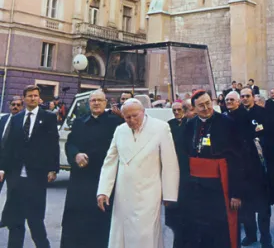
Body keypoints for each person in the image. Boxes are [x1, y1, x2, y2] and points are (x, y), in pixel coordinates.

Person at [97, 98, 179, 248]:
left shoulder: (161, 128)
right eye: (127, 117)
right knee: (121, 236)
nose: (132, 120)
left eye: (135, 116)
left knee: (145, 236)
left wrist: (169, 194)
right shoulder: (120, 130)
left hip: (148, 193)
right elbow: (110, 162)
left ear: (143, 112)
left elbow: (170, 163)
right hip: (124, 194)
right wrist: (103, 191)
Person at [60, 89, 123, 248]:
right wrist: (76, 155)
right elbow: (70, 143)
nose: (96, 103)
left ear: (105, 103)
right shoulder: (80, 121)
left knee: (100, 222)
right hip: (80, 179)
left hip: (102, 178)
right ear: (89, 103)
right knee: (76, 221)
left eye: (99, 100)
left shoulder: (115, 122)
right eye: (93, 100)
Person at [0, 85, 59, 248]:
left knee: (35, 221)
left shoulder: (48, 118)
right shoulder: (16, 119)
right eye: (30, 96)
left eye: (35, 96)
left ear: (39, 99)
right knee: (15, 221)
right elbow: (9, 146)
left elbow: (53, 144)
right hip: (16, 177)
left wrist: (53, 168)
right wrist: (2, 167)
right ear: (24, 98)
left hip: (36, 177)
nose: (33, 98)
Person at [184, 90, 243, 248]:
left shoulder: (227, 123)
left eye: (208, 103)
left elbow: (238, 159)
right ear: (194, 108)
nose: (206, 108)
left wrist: (236, 193)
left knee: (220, 231)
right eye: (201, 105)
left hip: (220, 186)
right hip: (196, 188)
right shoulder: (190, 125)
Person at [240, 87, 274, 247]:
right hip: (244, 168)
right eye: (242, 96)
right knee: (246, 207)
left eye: (247, 96)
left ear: (253, 97)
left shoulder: (263, 113)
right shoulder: (238, 115)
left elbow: (271, 135)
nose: (245, 99)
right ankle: (250, 235)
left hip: (262, 167)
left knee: (263, 206)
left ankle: (265, 237)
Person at [166, 101, 188, 248]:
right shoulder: (169, 124)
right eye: (174, 110)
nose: (177, 112)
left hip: (186, 165)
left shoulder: (190, 123)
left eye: (179, 109)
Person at [0, 97, 24, 195]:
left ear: (22, 107)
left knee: (12, 194)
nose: (15, 107)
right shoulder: (3, 119)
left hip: (14, 164)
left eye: (18, 105)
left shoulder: (24, 121)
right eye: (13, 104)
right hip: (1, 160)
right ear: (9, 106)